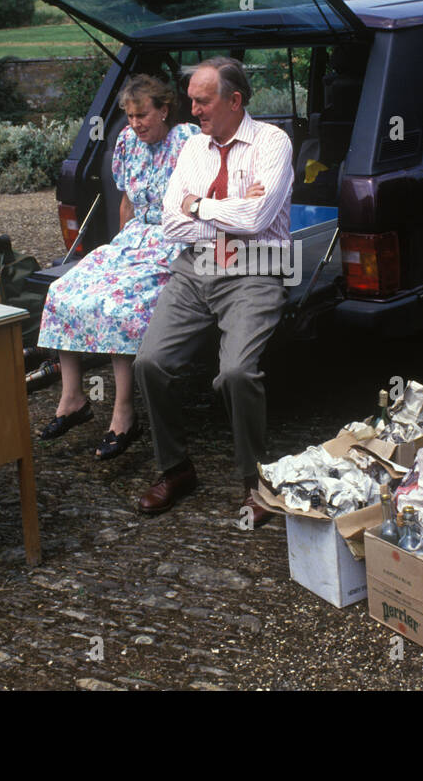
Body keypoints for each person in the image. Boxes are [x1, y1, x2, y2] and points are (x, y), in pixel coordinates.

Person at [133, 57, 293, 525]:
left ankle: (255, 481)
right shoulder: (192, 149)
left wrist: (197, 204)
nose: (193, 110)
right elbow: (170, 223)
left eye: (202, 101)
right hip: (197, 264)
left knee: (237, 373)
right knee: (150, 363)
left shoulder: (272, 142)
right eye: (191, 100)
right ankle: (176, 469)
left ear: (235, 100)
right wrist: (224, 210)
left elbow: (258, 220)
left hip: (258, 266)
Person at [36, 75, 198, 460]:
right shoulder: (126, 141)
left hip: (172, 239)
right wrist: (118, 249)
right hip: (134, 238)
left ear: (164, 109)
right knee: (63, 291)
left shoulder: (188, 140)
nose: (135, 123)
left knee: (119, 305)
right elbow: (126, 201)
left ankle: (125, 414)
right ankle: (73, 398)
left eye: (143, 115)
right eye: (129, 116)